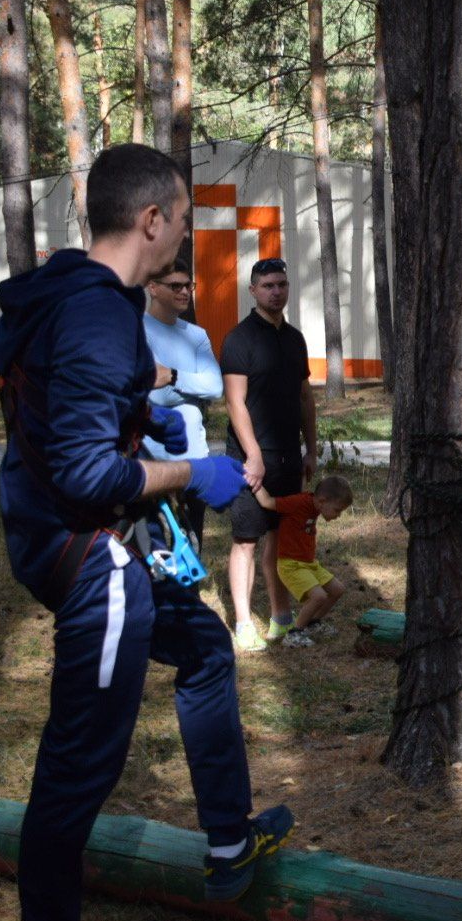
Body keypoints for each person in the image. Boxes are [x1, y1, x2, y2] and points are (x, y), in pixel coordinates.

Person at [0, 144, 293, 921]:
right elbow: (86, 473)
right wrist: (192, 471)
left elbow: (46, 388)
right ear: (151, 219)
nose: (185, 238)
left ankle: (229, 842)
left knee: (202, 649)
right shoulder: (94, 312)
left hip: (78, 538)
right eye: (184, 220)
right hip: (91, 560)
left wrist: (136, 405)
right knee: (77, 762)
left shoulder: (68, 293)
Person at [219, 257, 318, 653]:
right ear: (253, 291)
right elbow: (235, 402)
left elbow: (305, 396)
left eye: (282, 284)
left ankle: (280, 616)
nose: (276, 291)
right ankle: (243, 622)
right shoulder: (239, 339)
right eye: (268, 286)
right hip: (250, 457)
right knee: (246, 538)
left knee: (279, 537)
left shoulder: (295, 339)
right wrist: (254, 455)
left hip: (288, 457)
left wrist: (310, 448)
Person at [143, 256, 223, 544]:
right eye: (176, 286)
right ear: (152, 287)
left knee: (191, 545)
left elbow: (215, 387)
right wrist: (191, 383)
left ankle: (191, 592)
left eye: (189, 285)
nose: (185, 292)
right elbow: (156, 395)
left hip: (195, 459)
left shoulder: (197, 335)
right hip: (153, 462)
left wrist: (174, 375)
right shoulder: (137, 330)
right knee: (158, 551)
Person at [251, 474, 352, 646]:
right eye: (337, 510)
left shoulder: (316, 505)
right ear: (322, 501)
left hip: (310, 564)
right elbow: (267, 502)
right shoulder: (297, 503)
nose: (338, 515)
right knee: (318, 596)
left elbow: (306, 488)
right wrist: (254, 481)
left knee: (338, 590)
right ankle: (294, 633)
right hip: (291, 565)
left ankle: (312, 623)